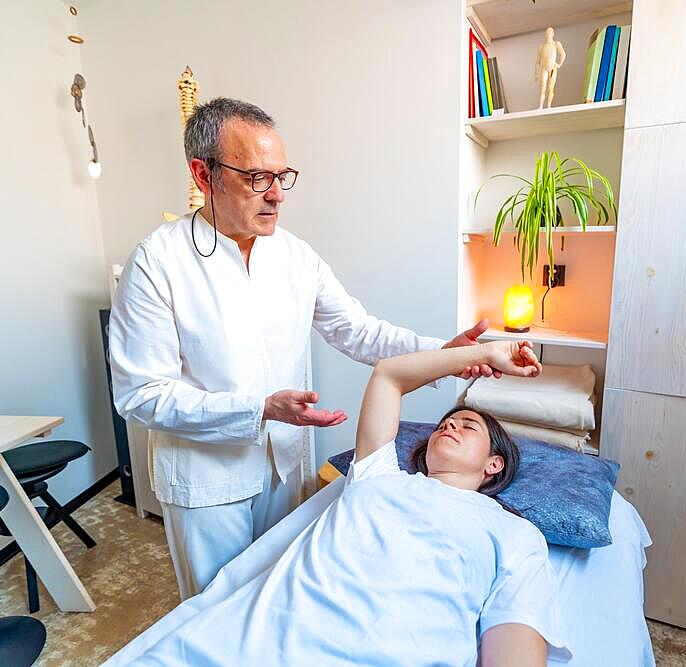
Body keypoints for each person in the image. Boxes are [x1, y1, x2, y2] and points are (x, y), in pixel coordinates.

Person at [109, 97, 498, 600]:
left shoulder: (294, 256)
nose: (276, 195)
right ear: (204, 176)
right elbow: (141, 395)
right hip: (208, 481)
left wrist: (446, 351)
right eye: (257, 178)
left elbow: (357, 330)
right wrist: (259, 409)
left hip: (284, 465)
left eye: (282, 175)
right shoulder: (156, 262)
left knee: (279, 596)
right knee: (216, 611)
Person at [119, 340, 570, 666]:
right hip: (257, 642)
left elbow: (514, 637)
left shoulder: (513, 532)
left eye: (467, 426)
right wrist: (481, 354)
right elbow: (389, 375)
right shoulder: (379, 476)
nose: (447, 428)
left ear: (494, 464)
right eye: (443, 425)